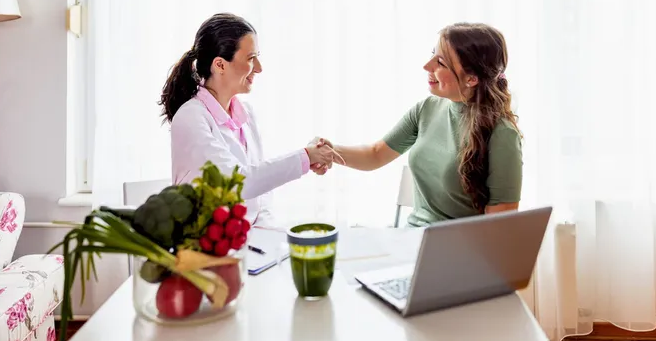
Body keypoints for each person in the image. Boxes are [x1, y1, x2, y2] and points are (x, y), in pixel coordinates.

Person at [313, 22, 522, 227]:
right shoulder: (427, 108)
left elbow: (499, 227)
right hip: (412, 237)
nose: (426, 66)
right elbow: (376, 154)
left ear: (472, 78)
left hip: (459, 249)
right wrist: (328, 152)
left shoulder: (502, 134)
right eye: (433, 54)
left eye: (440, 62)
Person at [159, 13, 343, 226]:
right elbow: (240, 182)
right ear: (220, 65)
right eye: (250, 58)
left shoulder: (245, 114)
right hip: (202, 249)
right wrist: (306, 157)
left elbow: (261, 197)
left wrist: (266, 237)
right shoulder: (191, 117)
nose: (259, 67)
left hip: (246, 244)